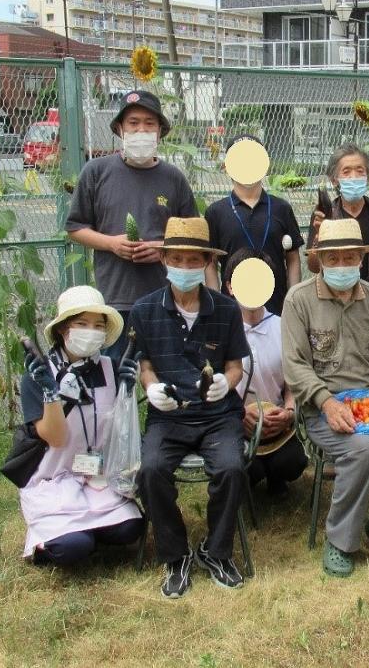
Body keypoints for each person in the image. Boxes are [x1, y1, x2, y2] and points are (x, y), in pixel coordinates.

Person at [282, 219, 369, 577]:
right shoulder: (299, 300)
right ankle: (340, 540)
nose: (343, 265)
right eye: (334, 258)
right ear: (321, 260)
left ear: (361, 259)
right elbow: (294, 365)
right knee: (365, 449)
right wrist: (326, 401)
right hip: (322, 409)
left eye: (350, 257)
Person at [130, 217, 250, 597]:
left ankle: (216, 552)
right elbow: (143, 364)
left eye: (192, 260)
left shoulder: (227, 310)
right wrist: (150, 388)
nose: (184, 268)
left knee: (232, 468)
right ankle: (175, 555)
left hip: (218, 417)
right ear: (165, 260)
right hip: (168, 417)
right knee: (150, 471)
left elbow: (236, 366)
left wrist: (224, 385)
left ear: (206, 264)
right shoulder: (145, 310)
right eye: (177, 259)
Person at [65, 90, 198, 360]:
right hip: (115, 299)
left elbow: (193, 235)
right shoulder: (96, 172)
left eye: (150, 124)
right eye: (133, 123)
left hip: (165, 298)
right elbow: (75, 227)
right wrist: (112, 244)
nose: (141, 130)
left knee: (166, 382)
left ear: (160, 131)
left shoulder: (174, 178)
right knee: (115, 381)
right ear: (120, 129)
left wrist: (162, 249)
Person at [18, 286, 143, 566]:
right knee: (73, 547)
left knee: (131, 529)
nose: (92, 331)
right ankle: (56, 540)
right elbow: (56, 438)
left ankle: (90, 530)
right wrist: (51, 394)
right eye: (82, 324)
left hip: (98, 476)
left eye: (99, 326)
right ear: (63, 329)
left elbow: (120, 433)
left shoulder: (111, 368)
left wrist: (126, 395)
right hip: (54, 478)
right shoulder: (39, 375)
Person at [223, 248, 307, 499]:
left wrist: (289, 412)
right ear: (230, 286)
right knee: (244, 467)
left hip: (276, 421)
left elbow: (292, 383)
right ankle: (251, 475)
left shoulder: (283, 328)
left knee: (292, 462)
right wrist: (239, 415)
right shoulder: (220, 331)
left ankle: (276, 476)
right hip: (235, 423)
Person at [204, 135, 304, 317]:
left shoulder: (282, 208)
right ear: (227, 166)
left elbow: (293, 258)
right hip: (233, 313)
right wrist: (216, 302)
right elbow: (209, 262)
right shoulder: (216, 212)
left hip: (276, 310)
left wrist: (293, 300)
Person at [306, 144, 369, 309]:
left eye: (360, 171)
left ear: (368, 177)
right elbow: (313, 266)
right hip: (336, 299)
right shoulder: (324, 215)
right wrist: (320, 238)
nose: (354, 176)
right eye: (346, 171)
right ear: (334, 180)